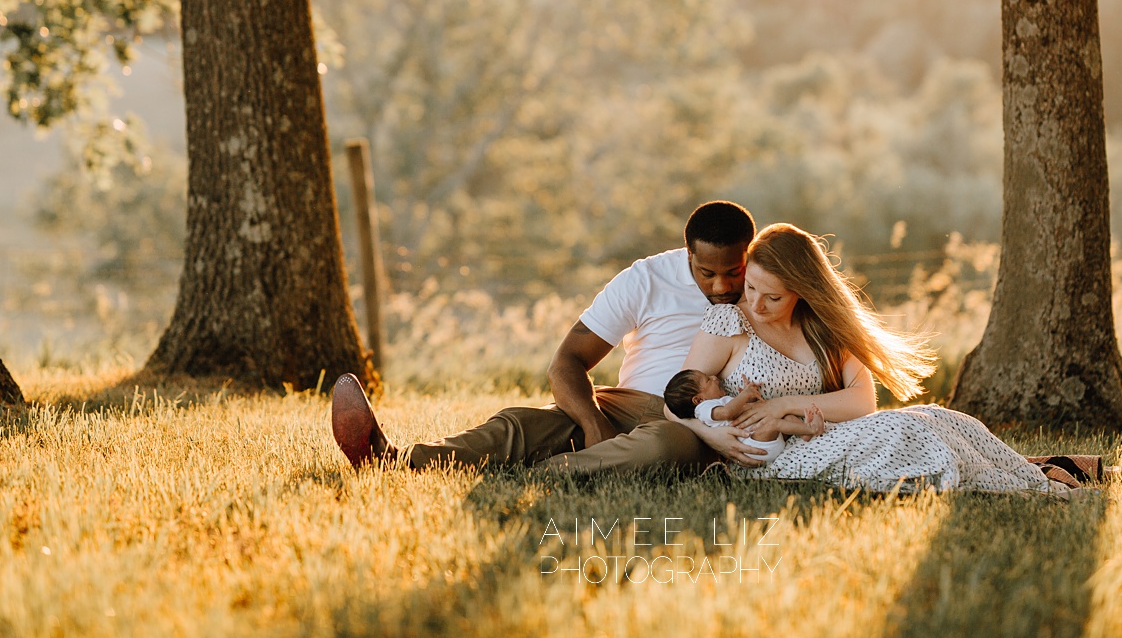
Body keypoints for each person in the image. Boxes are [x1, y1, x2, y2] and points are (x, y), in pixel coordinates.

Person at [331, 200, 771, 474]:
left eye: (732, 273)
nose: (720, 287)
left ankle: (549, 472)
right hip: (626, 402)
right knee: (524, 423)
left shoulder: (768, 284)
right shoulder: (646, 279)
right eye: (706, 272)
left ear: (748, 254)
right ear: (687, 254)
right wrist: (594, 421)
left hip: (703, 419)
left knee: (662, 445)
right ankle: (392, 459)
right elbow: (566, 363)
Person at [671, 223, 1065, 495]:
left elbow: (862, 402)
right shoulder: (728, 322)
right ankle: (1001, 484)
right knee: (901, 430)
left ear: (802, 292)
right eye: (752, 286)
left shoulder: (823, 327)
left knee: (939, 416)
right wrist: (713, 436)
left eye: (773, 297)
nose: (756, 303)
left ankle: (1030, 478)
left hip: (820, 436)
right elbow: (675, 401)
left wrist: (783, 405)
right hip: (772, 455)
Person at [662, 371, 826, 464]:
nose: (713, 377)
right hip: (753, 447)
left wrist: (750, 396)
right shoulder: (703, 409)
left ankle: (803, 433)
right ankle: (812, 428)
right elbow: (727, 413)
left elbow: (740, 411)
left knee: (787, 417)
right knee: (772, 423)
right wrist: (745, 395)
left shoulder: (716, 403)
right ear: (698, 399)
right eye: (707, 380)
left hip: (759, 440)